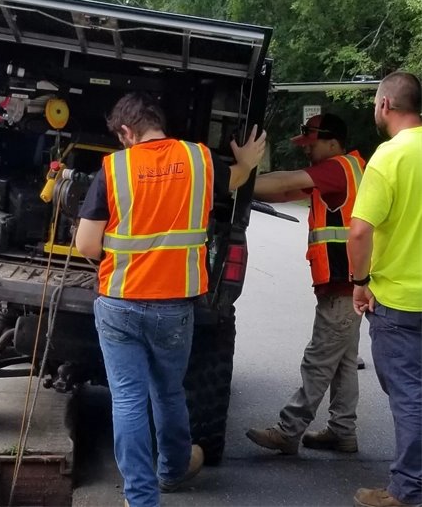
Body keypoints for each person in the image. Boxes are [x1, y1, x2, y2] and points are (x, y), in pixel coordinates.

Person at [75, 91, 266, 507]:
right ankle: (175, 470)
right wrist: (248, 161)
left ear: (126, 131)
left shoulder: (113, 168)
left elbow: (88, 245)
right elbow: (234, 179)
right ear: (158, 123)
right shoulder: (198, 160)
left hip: (120, 304)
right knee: (168, 392)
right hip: (175, 308)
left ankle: (141, 499)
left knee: (127, 398)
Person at [245, 113, 366, 455]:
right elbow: (284, 192)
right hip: (348, 283)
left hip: (344, 283)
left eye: (311, 145)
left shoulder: (336, 168)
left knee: (319, 359)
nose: (307, 151)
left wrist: (233, 178)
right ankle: (342, 431)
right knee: (343, 360)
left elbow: (283, 183)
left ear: (332, 142)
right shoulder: (347, 169)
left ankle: (288, 430)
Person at [348, 71, 422, 507]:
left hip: (399, 300)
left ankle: (408, 489)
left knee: (410, 395)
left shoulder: (389, 157)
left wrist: (359, 283)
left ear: (385, 106)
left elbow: (359, 232)